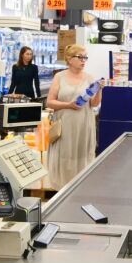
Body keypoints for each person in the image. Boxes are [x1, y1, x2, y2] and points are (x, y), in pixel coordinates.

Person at [46, 44, 101, 190]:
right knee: (65, 155)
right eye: (80, 57)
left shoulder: (89, 78)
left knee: (82, 154)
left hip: (84, 124)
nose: (84, 61)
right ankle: (61, 190)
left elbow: (94, 104)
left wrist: (100, 89)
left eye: (85, 58)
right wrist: (68, 105)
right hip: (65, 124)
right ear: (69, 59)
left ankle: (80, 188)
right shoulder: (59, 77)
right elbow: (49, 102)